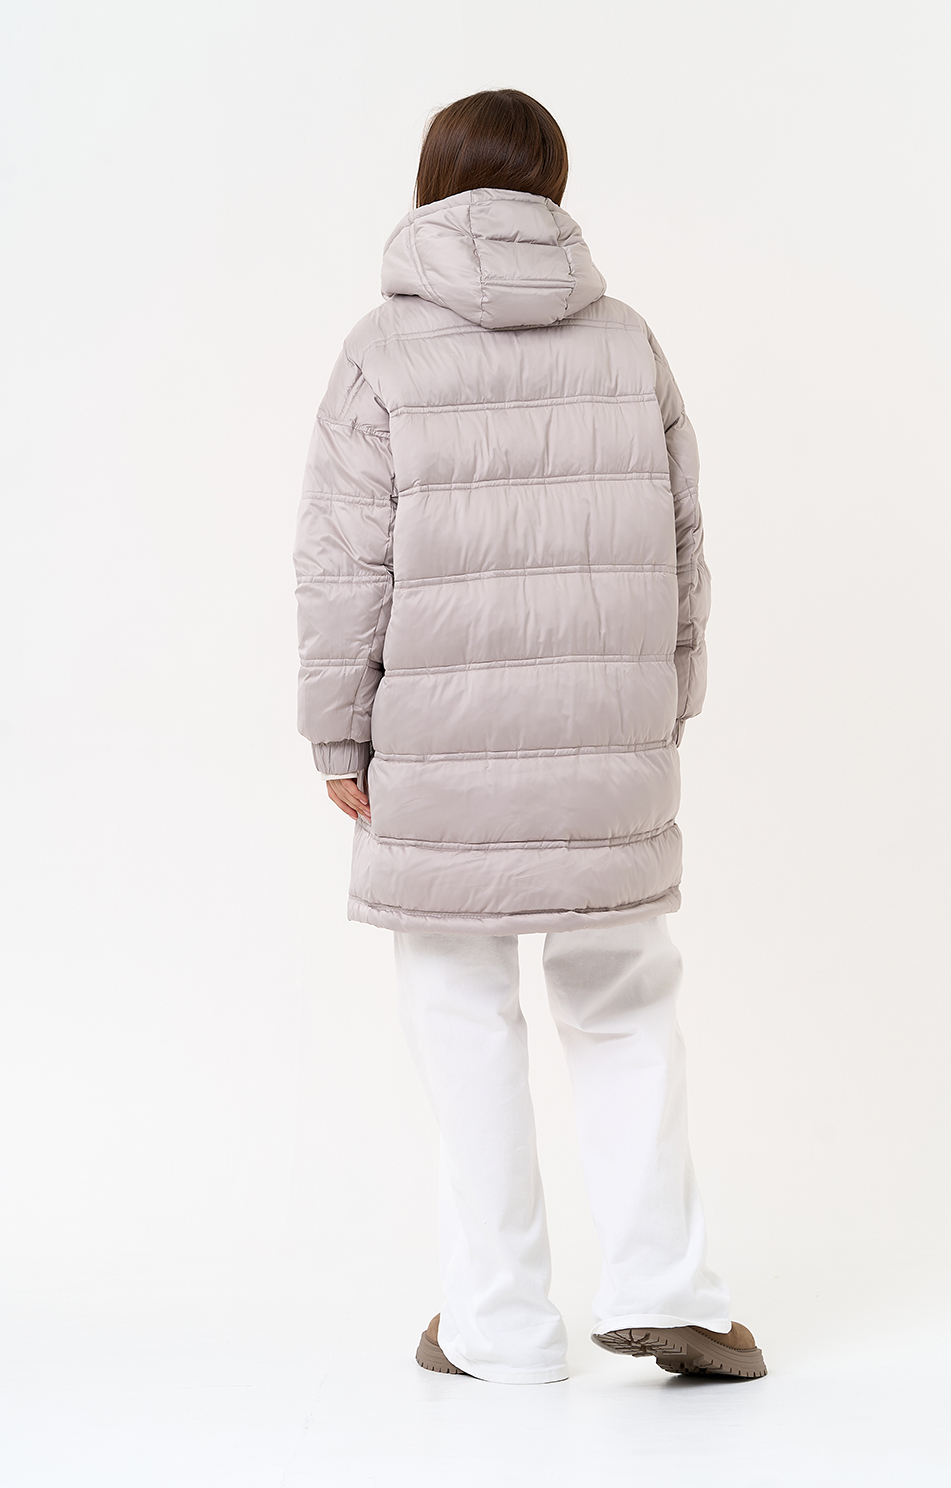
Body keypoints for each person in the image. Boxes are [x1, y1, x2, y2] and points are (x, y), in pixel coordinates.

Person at [294, 89, 765, 1385]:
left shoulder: (381, 354)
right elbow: (683, 542)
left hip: (437, 743)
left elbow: (341, 566)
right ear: (554, 183)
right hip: (608, 731)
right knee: (625, 997)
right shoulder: (626, 341)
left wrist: (338, 739)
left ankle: (498, 1324)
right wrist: (667, 696)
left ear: (430, 183)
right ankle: (667, 1286)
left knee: (462, 1012)